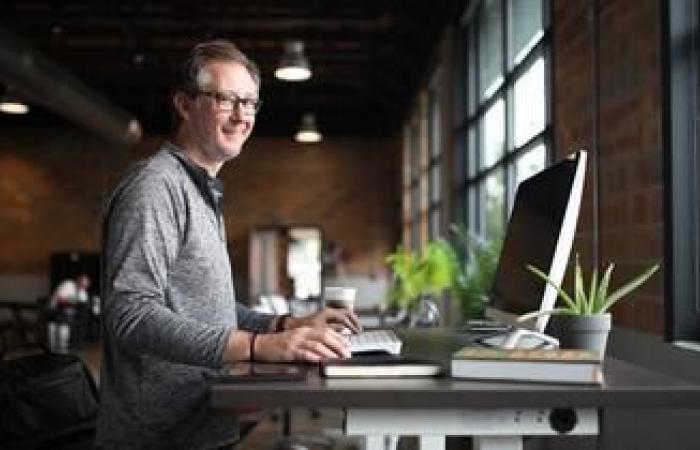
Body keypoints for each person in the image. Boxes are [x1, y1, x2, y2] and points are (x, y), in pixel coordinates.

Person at [96, 39, 360, 450]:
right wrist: (256, 346)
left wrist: (286, 326)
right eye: (226, 100)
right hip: (156, 437)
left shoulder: (202, 190)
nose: (242, 116)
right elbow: (130, 312)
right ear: (184, 104)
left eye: (251, 103)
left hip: (201, 424)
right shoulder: (156, 186)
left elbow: (208, 308)